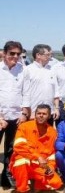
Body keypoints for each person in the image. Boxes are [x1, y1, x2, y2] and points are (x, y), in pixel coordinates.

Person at [10, 104, 63, 192]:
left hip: (40, 166)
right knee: (21, 161)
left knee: (56, 183)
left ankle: (38, 185)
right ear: (35, 115)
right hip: (24, 164)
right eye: (39, 113)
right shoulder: (24, 126)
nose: (41, 115)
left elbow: (52, 155)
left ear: (49, 116)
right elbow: (18, 147)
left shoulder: (53, 132)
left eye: (44, 114)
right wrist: (37, 157)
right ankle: (22, 189)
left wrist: (50, 167)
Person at [0, 41, 28, 188]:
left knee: (11, 150)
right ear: (4, 53)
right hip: (1, 117)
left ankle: (6, 177)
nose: (15, 56)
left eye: (18, 54)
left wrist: (24, 113)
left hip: (16, 118)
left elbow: (26, 93)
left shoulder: (23, 70)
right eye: (12, 53)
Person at [21, 44, 60, 125]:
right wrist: (28, 111)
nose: (50, 57)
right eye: (47, 55)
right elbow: (25, 93)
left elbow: (56, 91)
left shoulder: (52, 70)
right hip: (33, 113)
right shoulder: (28, 70)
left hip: (49, 113)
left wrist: (56, 108)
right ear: (38, 55)